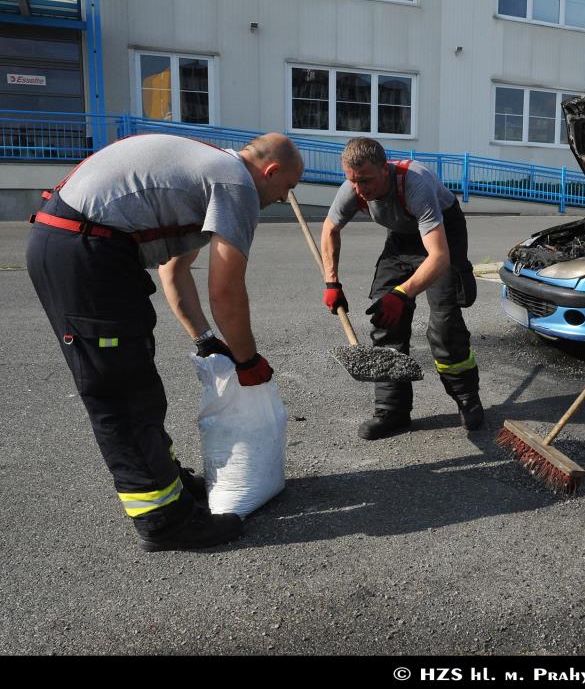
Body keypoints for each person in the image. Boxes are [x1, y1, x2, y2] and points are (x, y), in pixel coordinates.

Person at [27, 132, 303, 552]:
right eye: (288, 188)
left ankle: (167, 484)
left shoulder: (208, 175)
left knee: (138, 381)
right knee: (121, 392)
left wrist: (206, 339)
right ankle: (162, 520)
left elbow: (175, 272)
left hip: (89, 247)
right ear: (271, 171)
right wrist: (247, 362)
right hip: (85, 251)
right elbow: (226, 292)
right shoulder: (236, 185)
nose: (284, 198)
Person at [321, 137, 482, 440]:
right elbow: (330, 229)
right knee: (385, 322)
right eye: (353, 181)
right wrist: (332, 282)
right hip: (401, 239)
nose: (360, 190)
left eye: (366, 180)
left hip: (442, 236)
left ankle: (466, 398)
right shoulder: (354, 188)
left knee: (444, 325)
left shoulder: (415, 183)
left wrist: (402, 293)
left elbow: (439, 256)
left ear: (386, 169)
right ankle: (392, 411)